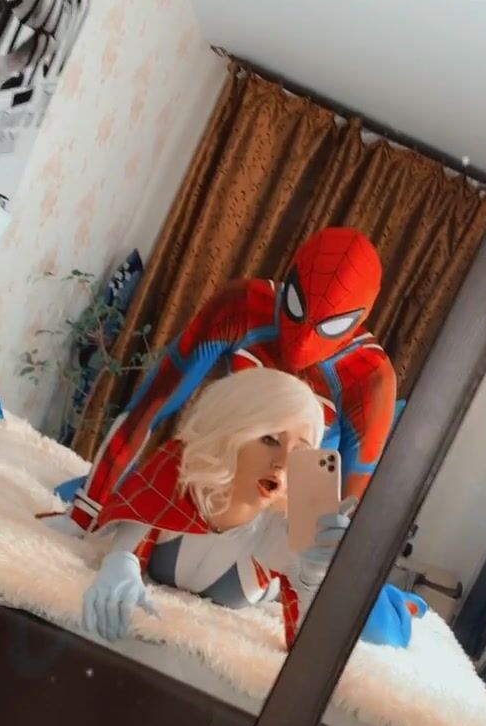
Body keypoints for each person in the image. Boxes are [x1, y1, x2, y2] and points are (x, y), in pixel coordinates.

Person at [63, 227, 397, 535]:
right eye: (298, 306)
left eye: (330, 326)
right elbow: (152, 406)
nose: (304, 341)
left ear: (357, 321)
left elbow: (349, 508)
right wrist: (87, 510)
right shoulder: (243, 307)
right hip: (210, 490)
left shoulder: (369, 378)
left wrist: (310, 566)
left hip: (280, 523)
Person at [79, 369, 426, 649]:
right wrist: (119, 559)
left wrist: (313, 578)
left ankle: (402, 600)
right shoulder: (179, 469)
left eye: (299, 450)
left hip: (290, 551)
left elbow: (310, 640)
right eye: (269, 439)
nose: (282, 462)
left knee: (381, 626)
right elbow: (131, 513)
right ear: (231, 431)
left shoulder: (286, 528)